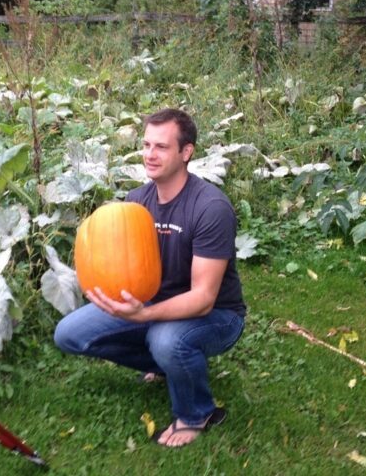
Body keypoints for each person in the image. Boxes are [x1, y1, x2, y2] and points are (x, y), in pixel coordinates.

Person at [54, 108, 246, 448]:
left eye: (161, 147)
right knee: (69, 334)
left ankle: (196, 413)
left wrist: (144, 316)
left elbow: (203, 298)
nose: (149, 155)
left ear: (186, 153)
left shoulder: (210, 208)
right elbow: (125, 266)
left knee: (167, 339)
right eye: (146, 145)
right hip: (152, 303)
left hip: (216, 315)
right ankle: (173, 365)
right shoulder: (136, 201)